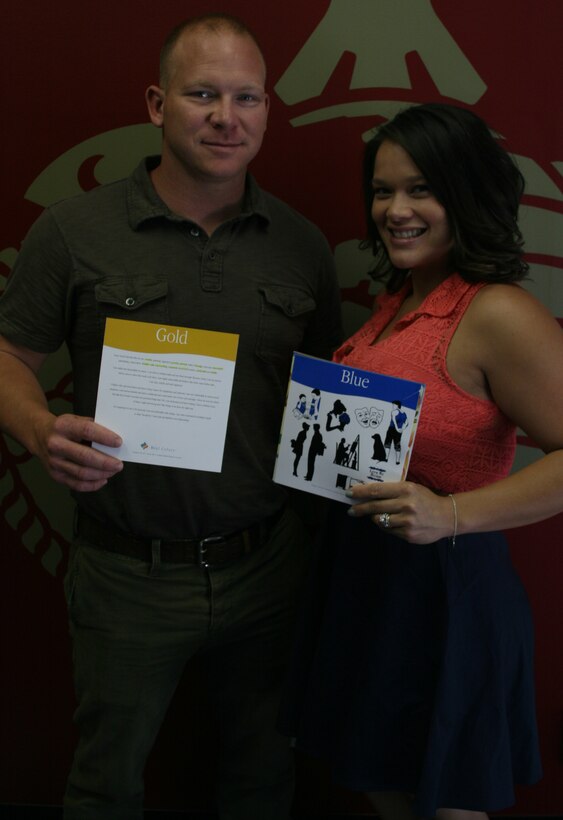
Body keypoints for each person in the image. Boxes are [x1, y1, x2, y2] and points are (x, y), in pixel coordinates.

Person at [0, 13, 341, 820]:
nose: (227, 117)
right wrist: (38, 430)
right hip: (127, 572)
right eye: (203, 94)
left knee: (263, 782)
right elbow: (8, 357)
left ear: (267, 110)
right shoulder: (74, 230)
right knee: (105, 786)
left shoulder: (301, 245)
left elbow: (325, 395)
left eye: (246, 97)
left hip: (268, 568)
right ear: (157, 104)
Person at [281, 103, 563, 819]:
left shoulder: (496, 312)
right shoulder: (395, 302)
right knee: (384, 782)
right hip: (369, 584)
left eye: (420, 189)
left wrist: (452, 513)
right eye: (382, 190)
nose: (394, 210)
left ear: (464, 194)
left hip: (444, 593)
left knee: (445, 801)